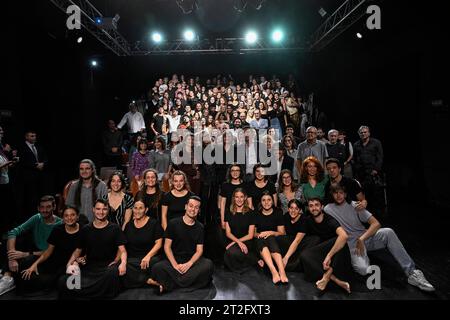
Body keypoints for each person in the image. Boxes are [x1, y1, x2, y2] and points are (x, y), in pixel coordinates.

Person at [324, 183, 435, 292]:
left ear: (345, 194)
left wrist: (362, 239)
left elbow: (376, 224)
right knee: (363, 270)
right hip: (352, 245)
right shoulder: (328, 209)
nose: (338, 195)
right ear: (331, 195)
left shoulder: (355, 205)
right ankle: (364, 259)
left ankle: (412, 272)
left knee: (388, 232)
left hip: (365, 238)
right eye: (335, 193)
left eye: (341, 193)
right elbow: (317, 212)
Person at [59, 199, 127, 300]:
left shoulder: (115, 228)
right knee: (63, 281)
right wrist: (69, 264)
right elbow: (78, 250)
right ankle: (89, 291)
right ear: (93, 210)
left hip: (107, 267)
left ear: (108, 211)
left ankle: (86, 292)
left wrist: (122, 263)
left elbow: (123, 250)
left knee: (111, 275)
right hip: (89, 267)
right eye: (98, 209)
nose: (101, 212)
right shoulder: (86, 229)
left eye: (104, 209)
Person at [148, 196, 214, 294]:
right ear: (186, 207)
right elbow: (167, 247)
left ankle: (169, 284)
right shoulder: (173, 223)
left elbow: (199, 250)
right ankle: (185, 282)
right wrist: (175, 265)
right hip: (175, 259)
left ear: (199, 210)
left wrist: (189, 264)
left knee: (208, 265)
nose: (193, 209)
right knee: (157, 267)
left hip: (191, 262)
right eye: (191, 206)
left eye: (196, 207)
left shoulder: (200, 227)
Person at [0, 195, 62, 296]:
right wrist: (12, 259)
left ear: (54, 207)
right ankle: (7, 277)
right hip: (35, 250)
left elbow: (52, 251)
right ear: (38, 208)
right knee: (8, 243)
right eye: (42, 207)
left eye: (48, 207)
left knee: (26, 262)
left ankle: (7, 274)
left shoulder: (60, 224)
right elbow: (13, 232)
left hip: (47, 257)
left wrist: (25, 254)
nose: (44, 210)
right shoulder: (37, 217)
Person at [18, 206, 82, 294]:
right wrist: (35, 265)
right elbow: (48, 251)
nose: (69, 218)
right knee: (28, 264)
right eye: (66, 215)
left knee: (62, 282)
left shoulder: (83, 230)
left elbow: (82, 250)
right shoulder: (57, 229)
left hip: (69, 264)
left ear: (77, 216)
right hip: (53, 262)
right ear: (63, 218)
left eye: (72, 215)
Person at [300, 198, 353, 293]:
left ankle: (327, 276)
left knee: (339, 241)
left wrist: (329, 256)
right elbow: (298, 239)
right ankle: (336, 280)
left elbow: (344, 236)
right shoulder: (308, 220)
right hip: (322, 250)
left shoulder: (329, 219)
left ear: (322, 207)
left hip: (337, 251)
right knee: (304, 255)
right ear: (308, 208)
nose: (314, 208)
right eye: (311, 206)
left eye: (316, 205)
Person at [122, 199, 163, 289]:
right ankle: (147, 280)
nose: (137, 211)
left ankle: (137, 279)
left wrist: (148, 256)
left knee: (156, 264)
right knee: (124, 264)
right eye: (135, 208)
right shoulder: (128, 225)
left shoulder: (154, 223)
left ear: (146, 209)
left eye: (141, 208)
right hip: (134, 259)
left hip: (151, 257)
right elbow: (123, 245)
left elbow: (159, 243)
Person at [276, 199, 321, 271]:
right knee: (279, 238)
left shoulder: (304, 219)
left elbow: (297, 241)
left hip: (302, 242)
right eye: (291, 208)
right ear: (288, 209)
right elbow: (284, 234)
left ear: (300, 210)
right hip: (291, 241)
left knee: (315, 239)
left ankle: (295, 264)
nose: (293, 211)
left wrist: (286, 258)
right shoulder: (286, 216)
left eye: (296, 209)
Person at [254, 192, 288, 284]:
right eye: (263, 200)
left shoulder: (278, 212)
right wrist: (261, 234)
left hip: (276, 241)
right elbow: (254, 233)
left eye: (269, 200)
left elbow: (282, 233)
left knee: (270, 238)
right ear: (261, 202)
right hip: (260, 242)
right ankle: (274, 271)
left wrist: (270, 232)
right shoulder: (257, 214)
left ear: (273, 201)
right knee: (262, 239)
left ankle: (282, 271)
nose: (266, 202)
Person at [17, 130, 49, 219]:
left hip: (40, 177)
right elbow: (22, 161)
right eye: (31, 136)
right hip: (28, 178)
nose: (34, 137)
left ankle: (41, 214)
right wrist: (36, 166)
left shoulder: (38, 147)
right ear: (26, 137)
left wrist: (43, 164)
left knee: (39, 196)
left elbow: (45, 157)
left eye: (34, 136)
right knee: (30, 198)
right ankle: (31, 216)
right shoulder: (21, 147)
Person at [223, 189, 257, 273]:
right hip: (233, 239)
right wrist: (237, 242)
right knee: (229, 253)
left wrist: (235, 243)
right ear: (233, 198)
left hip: (246, 241)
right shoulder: (228, 212)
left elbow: (250, 235)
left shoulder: (251, 213)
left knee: (232, 253)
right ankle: (252, 259)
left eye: (241, 197)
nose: (239, 199)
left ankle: (251, 259)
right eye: (237, 197)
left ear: (245, 198)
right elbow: (228, 233)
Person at [353, 126, 384, 214]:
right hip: (361, 174)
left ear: (369, 133)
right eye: (361, 133)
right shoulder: (356, 144)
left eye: (365, 132)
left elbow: (380, 157)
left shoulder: (376, 142)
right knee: (363, 195)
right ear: (359, 134)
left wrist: (376, 169)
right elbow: (355, 158)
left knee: (375, 194)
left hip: (373, 173)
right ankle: (366, 214)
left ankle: (378, 214)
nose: (363, 134)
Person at [66, 159, 108, 223]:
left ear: (92, 170)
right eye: (81, 169)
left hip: (96, 223)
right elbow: (69, 206)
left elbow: (105, 207)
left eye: (87, 168)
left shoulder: (101, 186)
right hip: (77, 223)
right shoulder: (74, 186)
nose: (84, 171)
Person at [219, 164, 248, 230]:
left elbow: (249, 203)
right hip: (229, 216)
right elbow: (222, 204)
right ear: (230, 172)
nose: (235, 172)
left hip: (243, 216)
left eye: (237, 170)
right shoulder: (225, 185)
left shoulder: (245, 185)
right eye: (233, 170)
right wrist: (222, 220)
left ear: (240, 172)